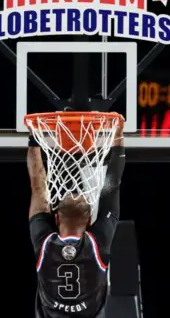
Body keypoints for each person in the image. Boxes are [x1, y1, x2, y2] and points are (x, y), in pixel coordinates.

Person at [28, 123, 126, 318]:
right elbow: (38, 186)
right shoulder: (44, 243)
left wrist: (118, 137)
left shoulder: (98, 243)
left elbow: (112, 186)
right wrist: (33, 138)